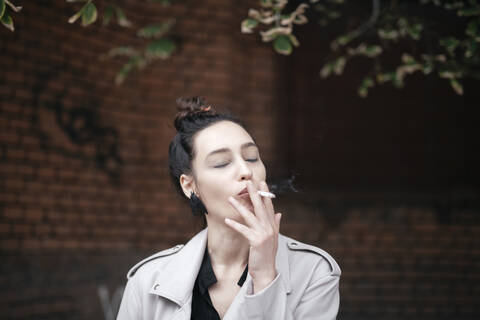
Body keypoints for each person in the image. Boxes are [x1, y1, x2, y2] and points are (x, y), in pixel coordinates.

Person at [116, 97, 341, 320]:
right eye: (222, 163)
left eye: (252, 157)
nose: (246, 170)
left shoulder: (314, 272)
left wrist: (265, 278)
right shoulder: (147, 281)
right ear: (189, 185)